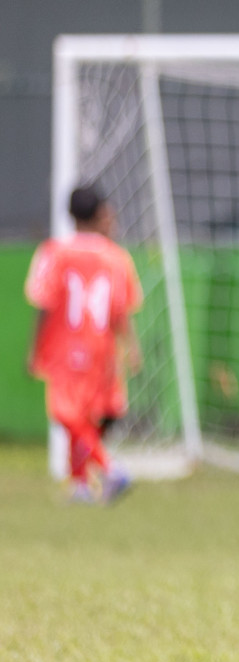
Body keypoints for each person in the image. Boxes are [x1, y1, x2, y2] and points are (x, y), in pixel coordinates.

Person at [25, 185, 141, 503]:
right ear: (99, 213)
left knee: (64, 412)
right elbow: (121, 309)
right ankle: (79, 485)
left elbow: (43, 301)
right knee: (87, 417)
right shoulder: (117, 257)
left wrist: (34, 348)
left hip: (67, 348)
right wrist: (132, 347)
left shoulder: (55, 251)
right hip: (103, 350)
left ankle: (111, 469)